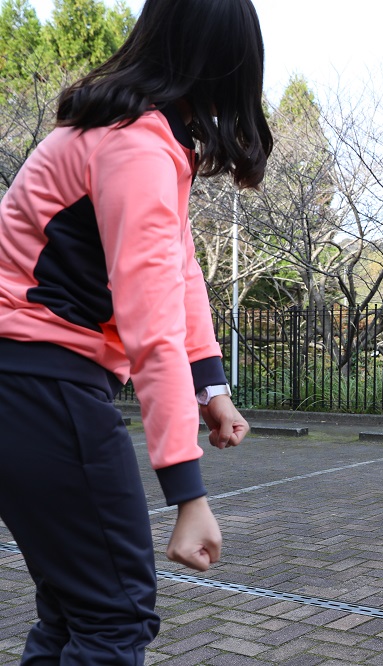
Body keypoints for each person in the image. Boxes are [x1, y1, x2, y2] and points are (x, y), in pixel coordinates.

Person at [0, 0, 272, 662]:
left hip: (27, 382)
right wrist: (187, 493)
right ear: (222, 65)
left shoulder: (128, 134)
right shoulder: (136, 147)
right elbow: (148, 325)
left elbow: (177, 270)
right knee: (115, 617)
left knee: (74, 613)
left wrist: (210, 386)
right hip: (43, 381)